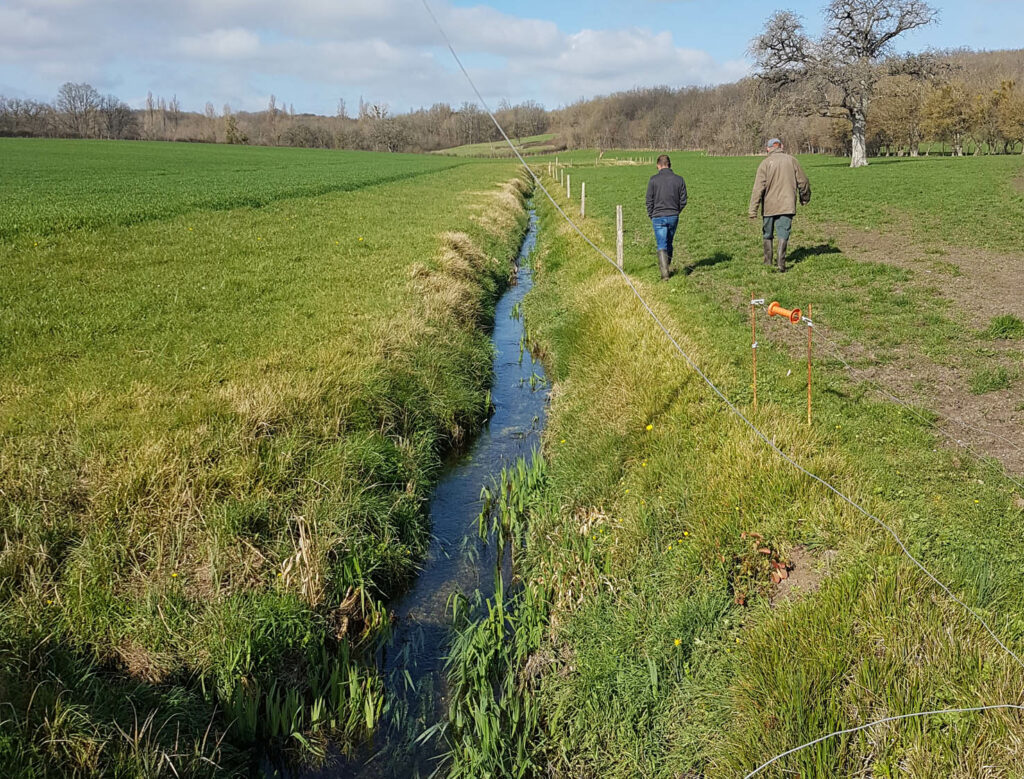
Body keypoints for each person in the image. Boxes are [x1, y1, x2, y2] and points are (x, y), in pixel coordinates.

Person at [748, 138, 811, 273]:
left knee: (767, 233)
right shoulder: (792, 160)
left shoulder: (765, 163)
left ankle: (768, 261)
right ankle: (781, 263)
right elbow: (804, 181)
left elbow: (757, 188)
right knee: (783, 232)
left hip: (769, 206)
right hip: (787, 204)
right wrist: (804, 198)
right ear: (781, 146)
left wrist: (753, 210)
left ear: (768, 149)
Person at [646, 154, 688, 280]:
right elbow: (683, 200)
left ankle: (665, 274)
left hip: (658, 216)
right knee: (669, 242)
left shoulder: (653, 180)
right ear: (669, 165)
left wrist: (651, 214)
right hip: (673, 215)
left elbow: (649, 200)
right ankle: (667, 266)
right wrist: (676, 211)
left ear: (658, 165)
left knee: (661, 244)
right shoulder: (679, 180)